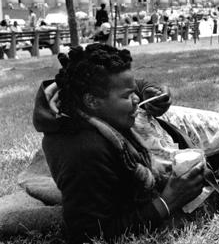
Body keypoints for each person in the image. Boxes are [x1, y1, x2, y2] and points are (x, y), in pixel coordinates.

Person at [33, 44, 205, 243]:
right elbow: (89, 234)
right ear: (92, 101)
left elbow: (120, 85)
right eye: (127, 96)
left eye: (135, 93)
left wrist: (149, 89)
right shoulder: (84, 152)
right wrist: (167, 202)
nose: (136, 99)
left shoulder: (89, 99)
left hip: (135, 129)